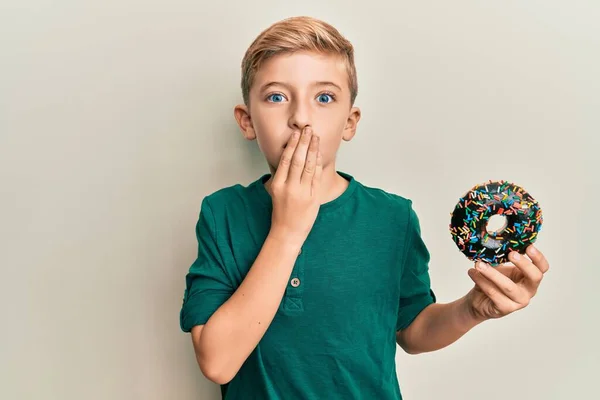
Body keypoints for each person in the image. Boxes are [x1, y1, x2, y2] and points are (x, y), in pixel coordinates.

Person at [179, 16, 550, 400]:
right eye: (276, 96)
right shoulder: (222, 213)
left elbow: (412, 330)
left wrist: (473, 309)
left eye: (324, 98)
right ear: (246, 120)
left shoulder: (393, 218)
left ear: (349, 122)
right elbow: (218, 362)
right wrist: (287, 231)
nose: (301, 118)